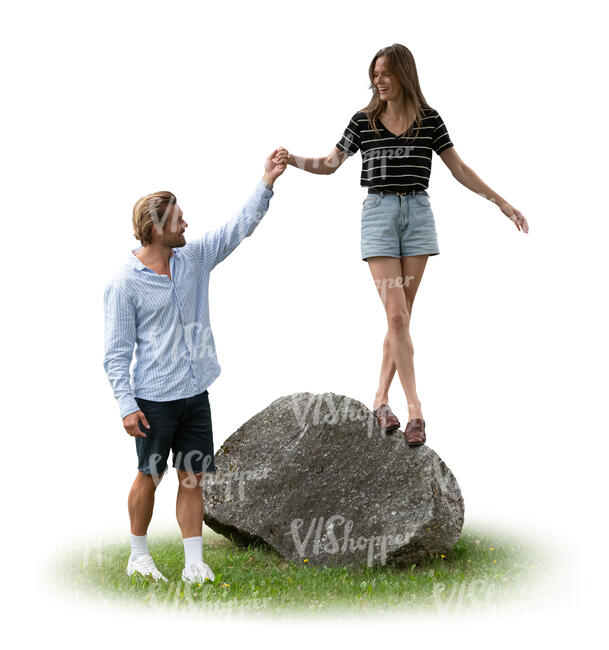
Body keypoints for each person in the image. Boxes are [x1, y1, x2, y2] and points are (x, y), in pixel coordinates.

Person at [282, 43, 528, 447]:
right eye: (374, 74)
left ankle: (380, 399)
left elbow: (459, 168)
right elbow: (330, 164)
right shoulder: (363, 121)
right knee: (396, 316)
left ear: (403, 75)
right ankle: (415, 410)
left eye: (385, 73)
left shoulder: (430, 120)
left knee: (402, 319)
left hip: (417, 214)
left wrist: (501, 202)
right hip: (379, 215)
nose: (377, 81)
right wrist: (293, 159)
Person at [103, 148, 288, 583]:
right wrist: (126, 405)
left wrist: (267, 182)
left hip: (194, 394)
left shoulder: (195, 259)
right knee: (149, 476)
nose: (187, 224)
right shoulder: (124, 284)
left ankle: (193, 564)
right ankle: (138, 556)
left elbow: (237, 229)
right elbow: (115, 353)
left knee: (191, 479)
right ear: (155, 229)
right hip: (153, 399)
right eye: (178, 219)